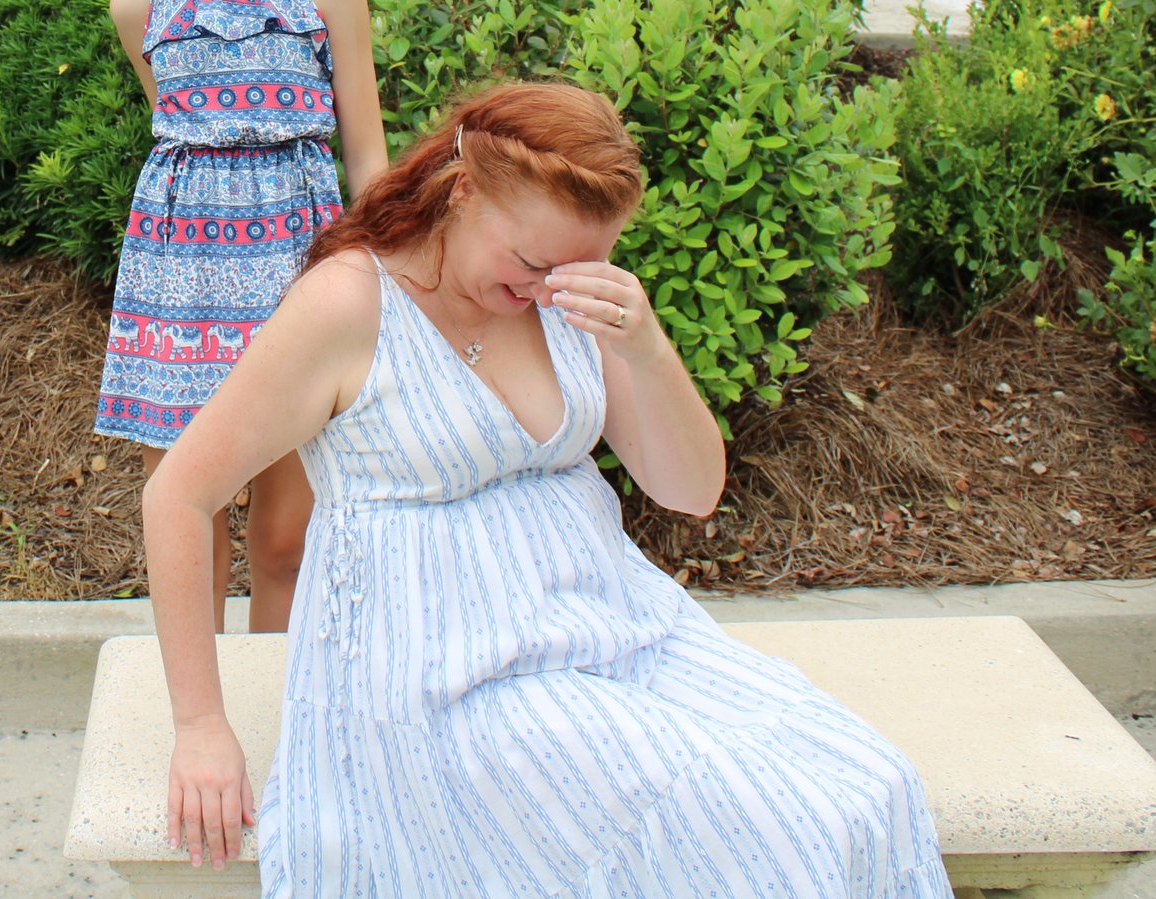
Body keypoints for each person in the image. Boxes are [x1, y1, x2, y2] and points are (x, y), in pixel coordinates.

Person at [143, 81, 951, 898]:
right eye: (531, 261)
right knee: (754, 820)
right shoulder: (349, 305)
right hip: (446, 685)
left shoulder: (569, 295)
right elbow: (177, 494)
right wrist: (201, 726)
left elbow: (694, 490)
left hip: (622, 634)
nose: (546, 288)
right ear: (463, 191)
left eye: (578, 264)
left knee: (870, 782)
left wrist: (645, 346)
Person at [95, 0, 389, 634]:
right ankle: (199, 714)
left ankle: (277, 717)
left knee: (286, 536)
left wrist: (382, 273)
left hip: (297, 271)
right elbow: (179, 142)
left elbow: (364, 149)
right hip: (179, 279)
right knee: (185, 509)